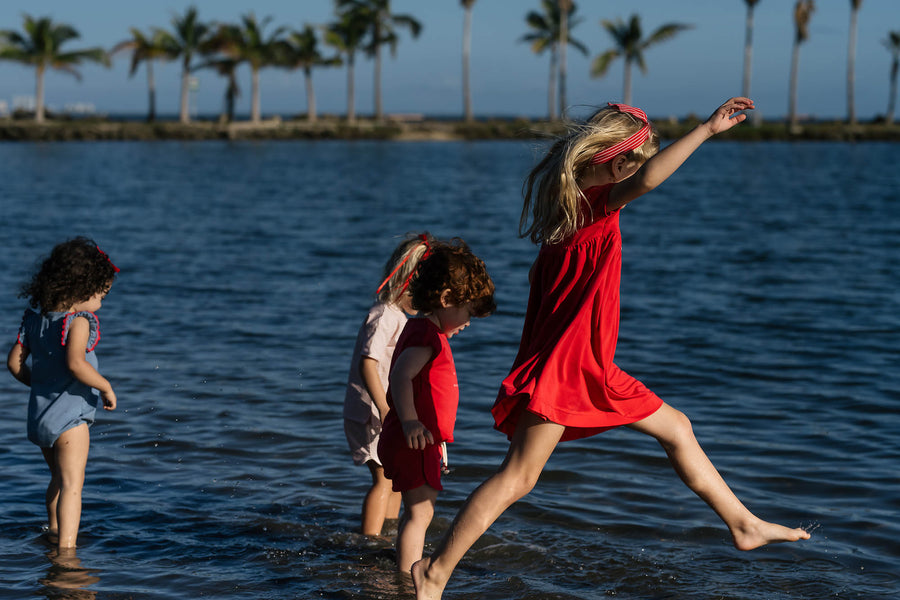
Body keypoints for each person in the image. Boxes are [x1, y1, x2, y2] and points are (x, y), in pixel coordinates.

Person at [412, 98, 810, 599]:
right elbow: (645, 182)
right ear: (618, 161)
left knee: (677, 428)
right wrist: (706, 129)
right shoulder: (595, 204)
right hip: (571, 366)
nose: (637, 176)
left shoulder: (567, 208)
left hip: (589, 364)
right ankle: (435, 572)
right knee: (518, 476)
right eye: (635, 163)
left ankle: (743, 524)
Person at [377, 239, 495, 573]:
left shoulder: (424, 331)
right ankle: (408, 576)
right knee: (421, 513)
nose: (469, 322)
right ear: (446, 299)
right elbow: (400, 377)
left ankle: (404, 567)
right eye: (468, 312)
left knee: (417, 511)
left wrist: (435, 441)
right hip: (411, 436)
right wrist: (412, 422)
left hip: (420, 440)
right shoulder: (427, 335)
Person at [7, 237, 119, 551]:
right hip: (70, 420)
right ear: (82, 290)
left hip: (41, 418)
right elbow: (75, 364)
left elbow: (14, 364)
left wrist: (40, 386)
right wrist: (105, 386)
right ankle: (67, 550)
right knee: (73, 485)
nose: (100, 303)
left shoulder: (34, 320)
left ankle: (53, 530)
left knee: (57, 477)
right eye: (100, 295)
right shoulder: (79, 322)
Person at [343, 233, 435, 536]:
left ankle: (390, 533)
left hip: (390, 411)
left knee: (397, 476)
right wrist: (383, 407)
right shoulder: (383, 315)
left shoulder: (403, 319)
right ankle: (369, 541)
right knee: (383, 478)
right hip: (373, 409)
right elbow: (367, 363)